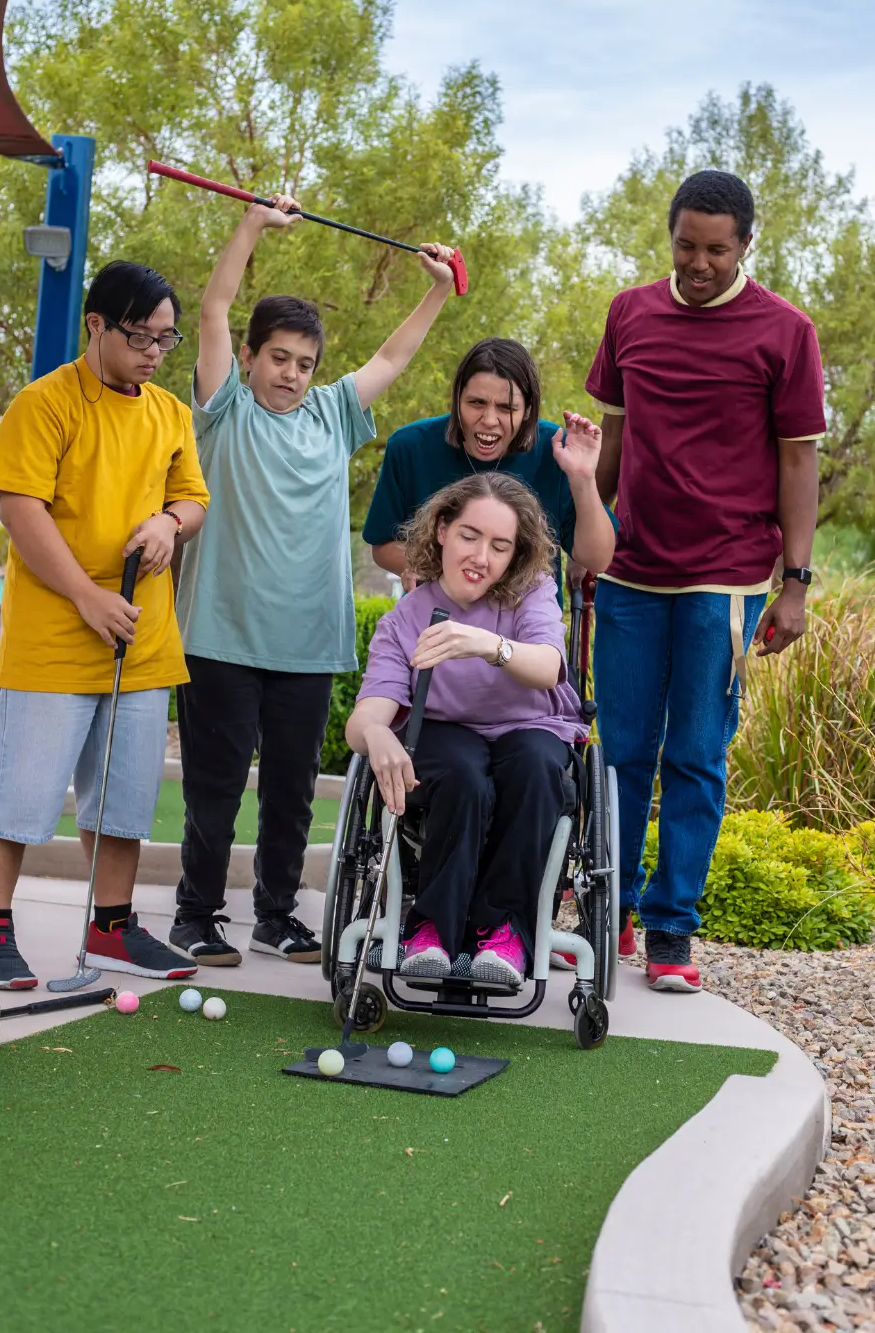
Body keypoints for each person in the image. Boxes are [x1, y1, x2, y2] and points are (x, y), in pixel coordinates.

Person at [169, 198, 459, 968]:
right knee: (215, 787)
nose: (292, 374)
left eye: (304, 363)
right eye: (279, 359)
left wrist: (436, 288)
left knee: (293, 793)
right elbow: (214, 306)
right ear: (251, 357)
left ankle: (276, 914)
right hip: (220, 635)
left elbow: (392, 359)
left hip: (307, 641)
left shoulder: (332, 415)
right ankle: (196, 914)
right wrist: (253, 227)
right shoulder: (224, 408)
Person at [586, 169, 825, 993]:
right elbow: (610, 447)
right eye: (686, 244)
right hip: (627, 571)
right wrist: (586, 533)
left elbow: (799, 459)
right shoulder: (630, 313)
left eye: (716, 250)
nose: (698, 263)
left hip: (724, 581)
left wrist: (794, 583)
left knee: (694, 755)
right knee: (621, 753)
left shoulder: (787, 332)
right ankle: (605, 909)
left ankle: (670, 932)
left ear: (745, 245)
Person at [0, 262, 210, 990]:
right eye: (142, 336)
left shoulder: (169, 413)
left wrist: (171, 522)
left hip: (141, 636)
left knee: (124, 798)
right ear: (96, 325)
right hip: (55, 639)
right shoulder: (42, 405)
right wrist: (86, 597)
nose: (155, 353)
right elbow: (21, 510)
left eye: (167, 340)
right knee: (18, 795)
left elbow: (192, 498)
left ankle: (113, 929)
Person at [347, 451, 608, 989]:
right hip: (447, 735)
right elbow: (366, 715)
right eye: (469, 535)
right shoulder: (405, 620)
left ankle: (504, 931)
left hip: (529, 726)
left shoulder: (530, 593)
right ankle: (431, 931)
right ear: (442, 529)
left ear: (516, 555)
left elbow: (549, 666)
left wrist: (487, 645)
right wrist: (376, 736)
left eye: (500, 546)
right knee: (462, 773)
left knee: (536, 768)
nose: (481, 557)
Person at [362, 337, 616, 604]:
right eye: (476, 403)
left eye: (507, 408)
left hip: (526, 627)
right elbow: (383, 544)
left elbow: (598, 558)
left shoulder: (556, 450)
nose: (489, 420)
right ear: (457, 399)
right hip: (438, 615)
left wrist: (583, 478)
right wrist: (429, 569)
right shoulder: (410, 447)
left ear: (528, 411)